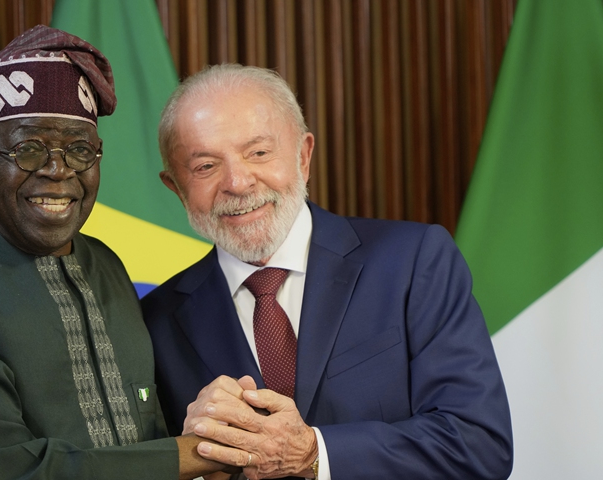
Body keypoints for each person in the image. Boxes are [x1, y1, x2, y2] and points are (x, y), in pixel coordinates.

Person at [0, 25, 238, 480]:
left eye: (79, 150)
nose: (58, 170)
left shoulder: (106, 265)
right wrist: (200, 454)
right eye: (29, 149)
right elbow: (9, 471)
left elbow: (147, 430)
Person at [141, 64, 514, 480]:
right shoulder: (153, 322)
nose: (238, 182)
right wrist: (190, 458)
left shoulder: (413, 261)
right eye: (206, 166)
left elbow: (479, 445)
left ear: (303, 156)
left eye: (259, 153)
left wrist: (313, 453)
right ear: (176, 188)